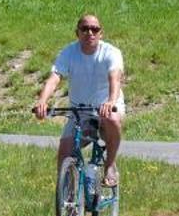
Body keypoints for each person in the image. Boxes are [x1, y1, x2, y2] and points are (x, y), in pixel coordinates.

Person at [31, 13, 124, 190]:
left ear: (101, 33)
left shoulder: (111, 53)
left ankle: (110, 165)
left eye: (94, 29)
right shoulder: (69, 53)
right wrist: (42, 101)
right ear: (77, 33)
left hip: (106, 106)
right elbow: (54, 78)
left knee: (112, 119)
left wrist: (111, 101)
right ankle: (69, 203)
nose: (90, 33)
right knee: (65, 150)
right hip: (79, 111)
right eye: (85, 29)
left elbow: (115, 78)